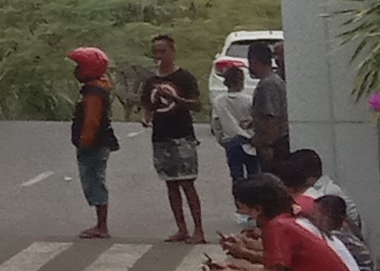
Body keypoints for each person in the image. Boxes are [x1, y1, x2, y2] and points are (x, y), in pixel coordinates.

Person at [218, 173, 369, 271]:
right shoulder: (284, 222)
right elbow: (273, 267)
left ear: (257, 209)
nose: (241, 213)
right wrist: (235, 268)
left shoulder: (278, 227)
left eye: (241, 208)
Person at [138, 39, 207, 244]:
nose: (160, 56)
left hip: (182, 135)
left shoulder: (184, 77)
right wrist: (146, 117)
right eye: (156, 52)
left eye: (163, 51)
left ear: (173, 51)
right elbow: (147, 105)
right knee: (170, 184)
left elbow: (197, 105)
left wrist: (175, 99)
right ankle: (181, 228)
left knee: (187, 182)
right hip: (161, 137)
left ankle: (199, 229)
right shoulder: (151, 81)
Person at [64, 47, 121, 240]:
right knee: (94, 180)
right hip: (97, 143)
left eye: (79, 66)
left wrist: (84, 141)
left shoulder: (94, 92)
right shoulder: (97, 87)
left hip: (94, 144)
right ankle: (100, 224)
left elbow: (92, 120)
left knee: (95, 181)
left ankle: (101, 226)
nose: (76, 70)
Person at [206, 57, 257, 189]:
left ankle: (239, 198)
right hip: (249, 141)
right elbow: (257, 118)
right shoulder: (249, 100)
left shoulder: (219, 101)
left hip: (231, 141)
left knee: (236, 176)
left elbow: (216, 123)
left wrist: (221, 139)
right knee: (254, 175)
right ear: (242, 81)